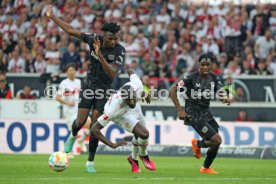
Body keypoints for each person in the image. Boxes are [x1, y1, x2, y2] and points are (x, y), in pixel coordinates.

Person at [46, 5, 126, 173]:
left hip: (104, 90)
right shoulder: (93, 39)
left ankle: (90, 161)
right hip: (89, 85)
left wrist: (100, 54)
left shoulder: (120, 50)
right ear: (104, 36)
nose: (113, 42)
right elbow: (71, 31)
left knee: (95, 127)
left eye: (115, 39)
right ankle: (72, 136)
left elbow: (112, 73)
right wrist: (53, 17)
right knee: (80, 121)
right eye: (110, 38)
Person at [169, 53, 230, 174]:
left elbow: (220, 90)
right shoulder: (191, 78)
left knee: (215, 144)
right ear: (199, 64)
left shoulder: (214, 77)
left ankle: (205, 168)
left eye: (208, 64)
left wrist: (224, 97)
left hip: (206, 113)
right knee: (217, 140)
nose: (206, 67)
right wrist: (180, 110)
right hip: (193, 114)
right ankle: (197, 144)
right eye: (203, 64)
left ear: (212, 65)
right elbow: (172, 90)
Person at [91, 69, 156, 173]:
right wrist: (111, 144)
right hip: (122, 114)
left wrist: (144, 93)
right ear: (123, 98)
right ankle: (144, 155)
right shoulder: (112, 111)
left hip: (134, 109)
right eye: (128, 100)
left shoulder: (137, 84)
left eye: (132, 98)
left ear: (134, 93)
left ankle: (133, 159)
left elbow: (130, 70)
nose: (131, 102)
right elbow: (94, 130)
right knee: (143, 134)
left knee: (142, 135)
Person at [55, 64, 91, 155]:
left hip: (79, 110)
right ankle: (68, 152)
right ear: (67, 72)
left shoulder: (79, 82)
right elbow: (57, 97)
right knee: (73, 131)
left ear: (75, 72)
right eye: (69, 70)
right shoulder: (64, 83)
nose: (71, 72)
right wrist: (67, 103)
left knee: (91, 124)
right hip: (69, 111)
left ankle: (81, 140)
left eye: (73, 70)